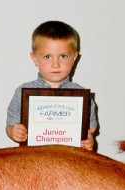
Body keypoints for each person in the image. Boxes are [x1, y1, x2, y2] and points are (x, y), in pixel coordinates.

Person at [6, 21, 98, 151]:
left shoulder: (82, 97)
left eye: (63, 56)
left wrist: (89, 141)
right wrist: (14, 132)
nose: (56, 64)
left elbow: (89, 132)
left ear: (74, 57)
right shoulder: (22, 93)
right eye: (47, 56)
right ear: (34, 58)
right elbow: (10, 125)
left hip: (69, 162)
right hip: (34, 161)